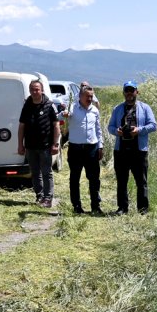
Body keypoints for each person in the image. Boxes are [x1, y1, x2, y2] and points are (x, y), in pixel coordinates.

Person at [107, 80, 157, 215]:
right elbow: (110, 127)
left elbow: (153, 125)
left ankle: (143, 210)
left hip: (139, 150)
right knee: (122, 181)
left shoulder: (145, 108)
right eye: (127, 90)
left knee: (141, 182)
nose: (129, 93)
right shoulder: (117, 109)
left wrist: (139, 130)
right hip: (121, 150)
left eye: (132, 90)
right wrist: (116, 131)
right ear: (123, 92)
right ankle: (122, 208)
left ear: (137, 92)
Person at [16, 79, 61, 208]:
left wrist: (55, 144)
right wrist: (20, 144)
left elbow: (56, 125)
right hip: (30, 146)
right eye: (32, 89)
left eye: (37, 89)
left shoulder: (49, 105)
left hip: (46, 146)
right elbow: (21, 126)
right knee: (35, 173)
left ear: (42, 90)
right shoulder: (27, 105)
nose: (35, 92)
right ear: (29, 91)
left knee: (47, 173)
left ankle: (48, 198)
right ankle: (39, 195)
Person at [65, 84, 104, 214]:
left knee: (94, 178)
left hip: (91, 148)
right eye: (87, 96)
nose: (90, 99)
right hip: (75, 148)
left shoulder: (94, 111)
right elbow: (61, 117)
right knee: (75, 178)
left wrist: (100, 146)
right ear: (80, 96)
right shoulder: (72, 108)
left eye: (92, 96)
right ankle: (77, 206)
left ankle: (95, 206)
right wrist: (63, 114)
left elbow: (98, 130)